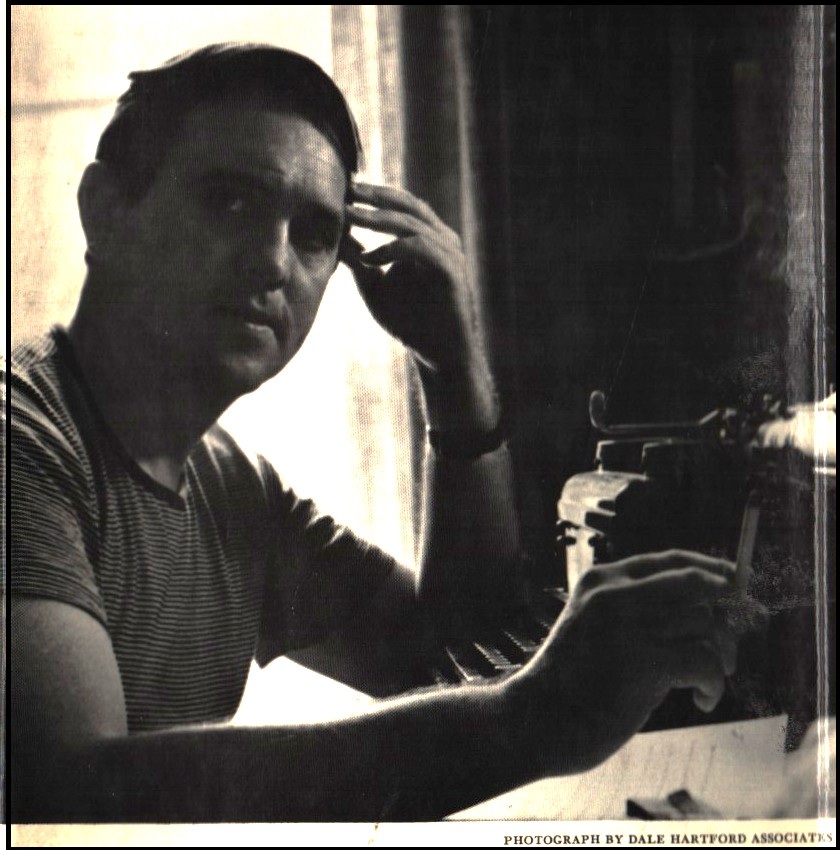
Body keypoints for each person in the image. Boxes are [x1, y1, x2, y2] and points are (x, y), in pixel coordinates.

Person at [9, 43, 740, 823]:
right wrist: (531, 718)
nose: (273, 262)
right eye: (228, 202)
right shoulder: (22, 440)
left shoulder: (230, 487)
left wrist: (451, 368)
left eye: (314, 233)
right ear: (106, 211)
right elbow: (69, 792)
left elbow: (455, 659)